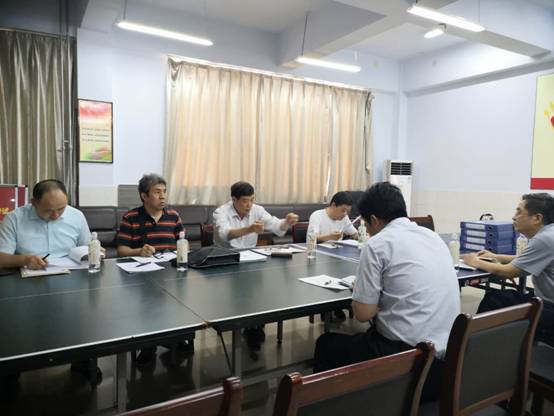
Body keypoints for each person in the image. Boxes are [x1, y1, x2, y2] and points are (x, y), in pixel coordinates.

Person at [313, 182, 460, 400]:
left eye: (366, 224)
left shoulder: (377, 244)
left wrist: (364, 289)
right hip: (446, 362)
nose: (367, 230)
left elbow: (363, 314)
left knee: (326, 344)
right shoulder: (433, 237)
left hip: (407, 364)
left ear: (374, 220)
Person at [0, 179, 100, 383]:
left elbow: (86, 247)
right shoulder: (14, 218)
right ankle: (11, 367)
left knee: (79, 321)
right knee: (17, 327)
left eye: (61, 209)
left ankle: (82, 361)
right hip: (26, 283)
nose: (56, 215)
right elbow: (1, 258)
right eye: (48, 210)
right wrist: (25, 259)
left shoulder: (76, 216)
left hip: (71, 280)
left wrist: (94, 252)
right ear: (33, 202)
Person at [117, 173, 192, 366]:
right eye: (157, 192)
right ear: (144, 196)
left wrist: (182, 249)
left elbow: (183, 242)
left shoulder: (173, 216)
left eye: (164, 191)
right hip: (142, 277)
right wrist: (138, 251)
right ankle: (147, 346)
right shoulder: (131, 217)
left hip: (171, 274)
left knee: (176, 306)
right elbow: (121, 250)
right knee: (147, 309)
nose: (163, 196)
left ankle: (174, 338)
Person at [213, 181, 299, 349]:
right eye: (245, 201)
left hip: (250, 258)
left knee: (259, 292)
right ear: (234, 199)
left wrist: (287, 222)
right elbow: (225, 234)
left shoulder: (257, 210)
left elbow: (276, 226)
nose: (249, 205)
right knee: (233, 298)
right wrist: (250, 229)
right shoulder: (220, 212)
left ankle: (254, 327)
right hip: (225, 258)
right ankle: (237, 323)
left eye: (252, 199)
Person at [463, 193, 554, 346]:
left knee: (494, 299)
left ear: (537, 218)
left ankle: (473, 348)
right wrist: (496, 257)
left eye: (519, 212)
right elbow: (526, 259)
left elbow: (508, 272)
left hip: (550, 310)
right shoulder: (550, 233)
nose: (514, 217)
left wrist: (475, 261)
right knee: (505, 297)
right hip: (546, 301)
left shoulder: (543, 239)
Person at [308, 191, 359, 321]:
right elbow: (311, 238)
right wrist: (329, 236)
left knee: (347, 273)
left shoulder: (344, 218)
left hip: (338, 258)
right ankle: (326, 308)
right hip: (319, 258)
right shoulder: (317, 215)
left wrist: (361, 235)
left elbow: (354, 234)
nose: (345, 214)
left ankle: (338, 305)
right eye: (343, 210)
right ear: (333, 205)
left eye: (347, 211)